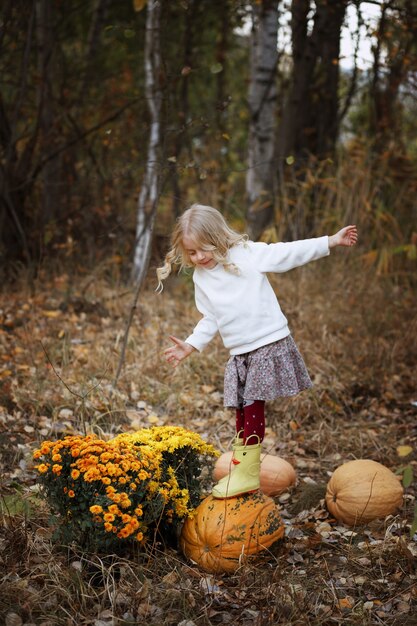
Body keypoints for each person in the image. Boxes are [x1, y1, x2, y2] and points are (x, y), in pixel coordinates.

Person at [157, 204, 358, 499]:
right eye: (191, 253)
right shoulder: (201, 279)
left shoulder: (246, 254)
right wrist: (190, 344)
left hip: (267, 343)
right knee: (240, 410)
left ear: (218, 238)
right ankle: (244, 467)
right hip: (240, 353)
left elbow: (287, 253)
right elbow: (210, 317)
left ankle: (248, 474)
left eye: (204, 249)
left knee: (252, 407)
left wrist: (329, 241)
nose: (199, 257)